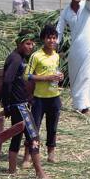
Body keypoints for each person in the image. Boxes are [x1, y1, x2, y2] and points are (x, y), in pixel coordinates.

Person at [1, 35, 44, 179]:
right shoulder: (16, 59)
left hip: (19, 103)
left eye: (32, 44)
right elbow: (7, 81)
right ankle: (40, 173)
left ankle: (12, 170)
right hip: (18, 105)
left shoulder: (18, 58)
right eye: (27, 44)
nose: (30, 47)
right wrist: (6, 104)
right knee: (33, 136)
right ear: (19, 44)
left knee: (17, 136)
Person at [56, 0, 90, 114]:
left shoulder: (87, 6)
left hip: (89, 46)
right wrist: (54, 45)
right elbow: (59, 30)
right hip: (75, 48)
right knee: (74, 76)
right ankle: (77, 104)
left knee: (86, 75)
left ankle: (84, 106)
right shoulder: (66, 12)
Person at [27, 23, 64, 163]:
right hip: (39, 98)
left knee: (52, 127)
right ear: (43, 39)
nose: (52, 41)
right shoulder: (36, 56)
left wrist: (60, 76)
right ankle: (31, 153)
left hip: (54, 97)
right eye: (49, 38)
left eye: (54, 38)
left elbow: (56, 72)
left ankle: (51, 153)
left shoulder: (56, 56)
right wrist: (45, 78)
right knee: (35, 128)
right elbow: (27, 75)